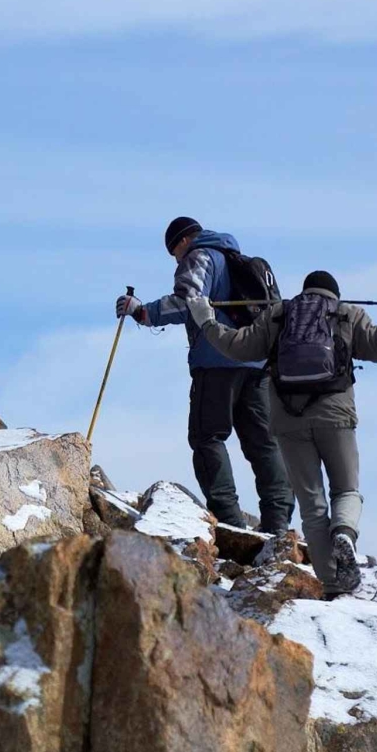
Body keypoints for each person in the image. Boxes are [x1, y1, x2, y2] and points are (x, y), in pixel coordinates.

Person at [186, 271, 377, 597]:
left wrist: (206, 320)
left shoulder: (278, 314)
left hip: (288, 421)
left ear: (305, 291)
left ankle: (333, 585)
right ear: (334, 294)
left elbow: (237, 347)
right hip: (336, 416)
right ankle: (345, 533)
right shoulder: (348, 314)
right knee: (346, 489)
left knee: (312, 506)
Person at [116, 217, 293, 534]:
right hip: (257, 362)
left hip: (216, 362)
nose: (176, 260)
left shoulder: (200, 256)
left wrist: (141, 312)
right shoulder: (244, 261)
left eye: (174, 253)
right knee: (264, 443)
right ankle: (278, 523)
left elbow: (187, 302)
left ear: (183, 242)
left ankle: (229, 520)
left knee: (207, 436)